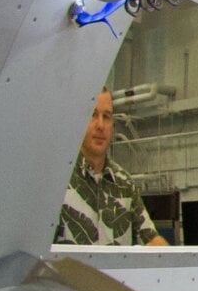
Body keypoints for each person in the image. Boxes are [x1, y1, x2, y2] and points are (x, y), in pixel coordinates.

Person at [53, 86, 170, 246]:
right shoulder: (57, 181)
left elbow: (150, 239)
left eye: (106, 116)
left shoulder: (125, 184)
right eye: (92, 115)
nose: (101, 125)